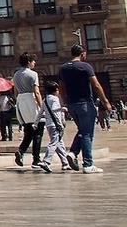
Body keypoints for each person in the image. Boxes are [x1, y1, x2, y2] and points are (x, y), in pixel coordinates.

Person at [58, 44, 113, 173]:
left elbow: (61, 87)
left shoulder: (63, 68)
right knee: (87, 134)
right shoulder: (85, 67)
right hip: (85, 104)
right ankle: (88, 164)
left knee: (82, 131)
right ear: (83, 53)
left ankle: (73, 153)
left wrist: (65, 102)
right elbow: (96, 85)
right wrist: (105, 102)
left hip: (72, 105)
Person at [37, 77, 76, 173]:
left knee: (59, 144)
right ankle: (46, 161)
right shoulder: (55, 99)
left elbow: (40, 112)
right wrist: (62, 109)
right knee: (54, 143)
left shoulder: (45, 100)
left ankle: (65, 163)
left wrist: (35, 123)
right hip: (56, 125)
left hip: (49, 125)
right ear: (55, 91)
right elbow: (54, 110)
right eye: (57, 90)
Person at [12, 54, 43, 169]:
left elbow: (15, 92)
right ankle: (36, 159)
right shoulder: (33, 74)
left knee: (28, 130)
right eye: (33, 61)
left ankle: (21, 151)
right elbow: (37, 92)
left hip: (21, 101)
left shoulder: (16, 74)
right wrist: (42, 107)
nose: (34, 63)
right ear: (29, 62)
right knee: (38, 131)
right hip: (31, 100)